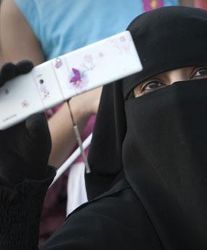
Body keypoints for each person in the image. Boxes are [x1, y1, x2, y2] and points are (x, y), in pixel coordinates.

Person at [1, 5, 207, 249]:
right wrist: (14, 209)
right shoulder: (106, 230)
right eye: (152, 86)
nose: (177, 97)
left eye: (202, 72)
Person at [0, 0, 179, 243]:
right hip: (103, 189)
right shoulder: (18, 8)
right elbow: (27, 149)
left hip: (181, 152)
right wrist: (83, 103)